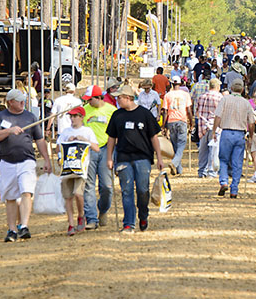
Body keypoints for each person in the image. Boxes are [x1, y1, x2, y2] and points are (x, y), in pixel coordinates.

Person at [0, 89, 52, 242]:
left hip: (27, 160)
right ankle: (12, 229)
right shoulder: (1, 116)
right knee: (10, 197)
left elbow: (40, 140)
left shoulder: (30, 117)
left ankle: (24, 225)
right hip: (7, 161)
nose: (23, 103)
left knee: (26, 191)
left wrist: (47, 159)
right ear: (10, 101)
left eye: (24, 100)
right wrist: (9, 131)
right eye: (19, 100)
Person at [106, 85, 164, 233]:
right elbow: (112, 138)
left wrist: (159, 157)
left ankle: (143, 214)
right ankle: (128, 223)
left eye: (119, 97)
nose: (117, 100)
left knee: (143, 190)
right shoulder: (116, 115)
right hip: (123, 158)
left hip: (142, 158)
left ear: (128, 98)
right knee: (126, 191)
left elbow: (154, 137)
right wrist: (109, 158)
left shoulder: (144, 114)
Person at [56, 106, 99, 236]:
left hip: (81, 169)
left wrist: (84, 140)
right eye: (71, 116)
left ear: (81, 117)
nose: (72, 119)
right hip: (67, 168)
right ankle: (70, 224)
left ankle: (81, 216)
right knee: (68, 196)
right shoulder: (65, 132)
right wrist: (60, 156)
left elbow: (96, 148)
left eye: (75, 116)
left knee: (78, 194)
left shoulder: (87, 131)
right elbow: (58, 147)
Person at [81, 85, 117, 230]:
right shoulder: (84, 111)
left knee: (106, 186)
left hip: (106, 150)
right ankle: (91, 218)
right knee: (88, 185)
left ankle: (103, 209)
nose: (88, 102)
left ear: (99, 98)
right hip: (88, 150)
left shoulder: (111, 111)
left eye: (91, 100)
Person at [214, 78, 256, 198]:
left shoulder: (225, 100)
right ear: (242, 89)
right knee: (237, 163)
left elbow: (217, 116)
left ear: (231, 88)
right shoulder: (246, 103)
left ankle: (224, 181)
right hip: (240, 134)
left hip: (226, 132)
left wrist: (214, 131)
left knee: (223, 159)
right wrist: (251, 136)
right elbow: (251, 122)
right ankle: (234, 189)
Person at [162, 75, 192, 175]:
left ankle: (179, 169)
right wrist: (191, 123)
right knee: (181, 145)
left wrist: (163, 126)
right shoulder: (185, 94)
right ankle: (174, 164)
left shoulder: (167, 95)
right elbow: (189, 110)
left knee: (175, 145)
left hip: (171, 121)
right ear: (180, 83)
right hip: (182, 120)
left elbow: (165, 112)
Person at [196, 78, 222, 178]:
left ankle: (201, 171)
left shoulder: (202, 96)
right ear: (217, 86)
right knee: (213, 150)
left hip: (202, 126)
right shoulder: (219, 97)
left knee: (203, 150)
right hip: (215, 126)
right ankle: (211, 172)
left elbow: (197, 111)